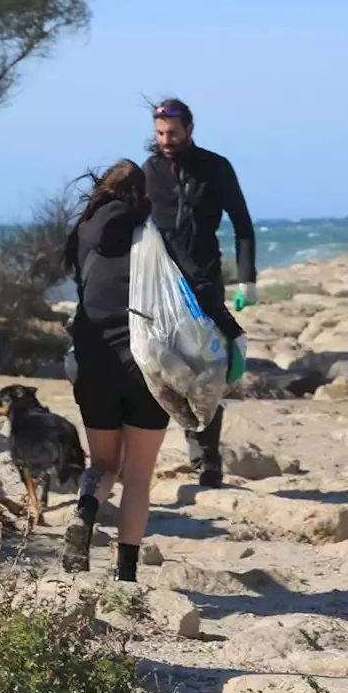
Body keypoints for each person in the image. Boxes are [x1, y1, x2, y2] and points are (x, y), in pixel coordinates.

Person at [60, 160, 170, 581]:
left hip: (92, 362)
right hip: (144, 365)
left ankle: (85, 512)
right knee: (138, 475)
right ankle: (125, 573)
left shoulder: (83, 233)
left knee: (103, 462)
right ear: (142, 196)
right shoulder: (151, 235)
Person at [142, 98, 253, 489]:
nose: (165, 140)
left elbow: (242, 225)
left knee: (208, 368)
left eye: (172, 133)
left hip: (204, 281)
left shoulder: (215, 168)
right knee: (162, 366)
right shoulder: (150, 170)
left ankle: (207, 461)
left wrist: (247, 281)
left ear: (189, 129)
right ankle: (161, 448)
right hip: (161, 286)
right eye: (159, 134)